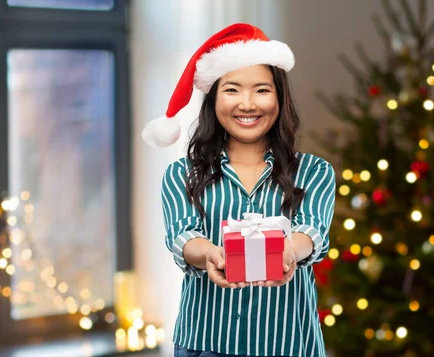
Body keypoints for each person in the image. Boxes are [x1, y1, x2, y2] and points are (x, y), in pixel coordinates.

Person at [143, 23, 336, 357]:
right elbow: (182, 236)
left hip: (290, 343)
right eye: (232, 90)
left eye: (261, 90)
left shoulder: (315, 171)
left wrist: (289, 251)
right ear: (214, 99)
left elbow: (312, 230)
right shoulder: (181, 175)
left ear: (279, 97)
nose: (247, 104)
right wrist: (210, 254)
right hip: (206, 342)